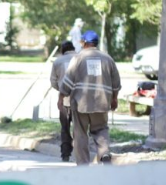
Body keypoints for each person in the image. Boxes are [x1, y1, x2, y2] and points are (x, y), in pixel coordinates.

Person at [59, 30, 121, 165]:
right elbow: (116, 83)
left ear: (85, 43)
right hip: (101, 102)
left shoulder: (78, 58)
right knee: (101, 129)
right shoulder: (108, 59)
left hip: (81, 103)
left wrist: (61, 98)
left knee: (80, 134)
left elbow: (67, 81)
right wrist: (114, 99)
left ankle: (83, 165)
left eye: (82, 42)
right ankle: (104, 153)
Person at [50, 40, 77, 162]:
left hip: (64, 99)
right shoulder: (81, 59)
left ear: (62, 50)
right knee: (80, 127)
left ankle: (65, 154)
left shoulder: (57, 62)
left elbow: (53, 81)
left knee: (65, 127)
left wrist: (61, 90)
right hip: (81, 99)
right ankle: (80, 152)